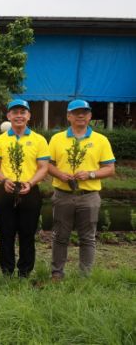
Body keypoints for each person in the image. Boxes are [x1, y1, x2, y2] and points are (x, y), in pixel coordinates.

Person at [48, 100, 115, 280]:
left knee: (87, 238)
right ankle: (57, 273)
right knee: (60, 236)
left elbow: (110, 169)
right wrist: (60, 174)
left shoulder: (101, 140)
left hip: (89, 196)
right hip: (63, 194)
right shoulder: (57, 139)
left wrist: (91, 174)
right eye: (76, 112)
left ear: (90, 116)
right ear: (68, 116)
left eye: (84, 112)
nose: (80, 115)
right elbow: (48, 164)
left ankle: (84, 276)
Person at [0, 99, 49, 277]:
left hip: (30, 189)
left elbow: (43, 168)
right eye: (15, 112)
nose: (19, 116)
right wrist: (4, 180)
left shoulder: (39, 140)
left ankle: (25, 272)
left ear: (29, 115)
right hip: (5, 189)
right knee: (6, 233)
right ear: (8, 116)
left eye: (23, 112)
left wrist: (30, 183)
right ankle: (7, 271)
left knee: (27, 234)